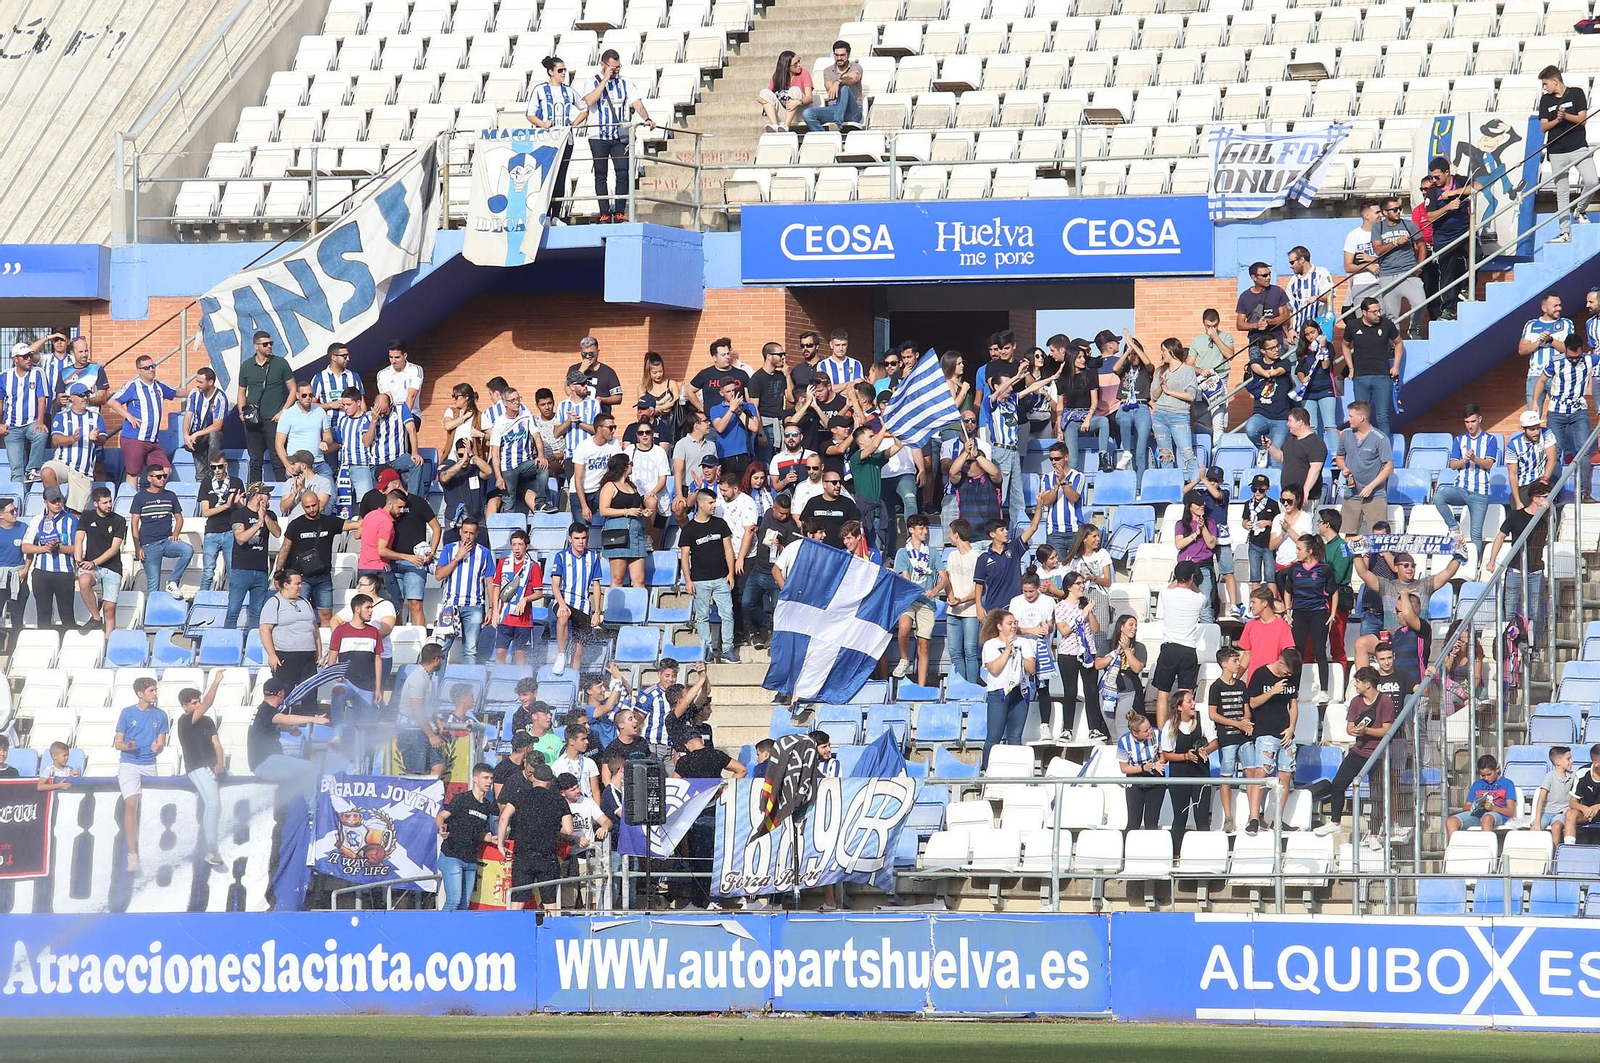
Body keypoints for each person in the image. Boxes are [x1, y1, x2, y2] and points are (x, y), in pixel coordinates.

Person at [1307, 666, 1395, 842]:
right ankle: (1335, 821)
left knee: (1377, 794)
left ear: (1368, 684)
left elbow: (1387, 730)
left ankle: (1374, 832)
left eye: (1358, 682)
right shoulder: (1356, 701)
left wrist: (1367, 731)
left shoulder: (1385, 702)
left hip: (1378, 755)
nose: (1355, 685)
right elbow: (1349, 727)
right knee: (1338, 784)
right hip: (1358, 752)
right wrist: (1356, 731)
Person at [582, 51, 655, 222]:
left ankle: (620, 211)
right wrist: (605, 80)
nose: (615, 71)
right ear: (603, 65)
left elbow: (636, 102)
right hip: (597, 135)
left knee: (623, 171)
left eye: (618, 67)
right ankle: (604, 212)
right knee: (600, 173)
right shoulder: (591, 81)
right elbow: (590, 101)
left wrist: (647, 118)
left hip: (618, 136)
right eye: (612, 68)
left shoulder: (625, 82)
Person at [1483, 479, 1552, 649]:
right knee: (1511, 609)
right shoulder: (1517, 516)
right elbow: (1500, 536)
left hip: (1535, 571)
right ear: (1536, 498)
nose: (1548, 501)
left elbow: (1552, 522)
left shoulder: (1546, 517)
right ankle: (1512, 644)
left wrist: (1547, 512)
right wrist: (1492, 560)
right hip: (1515, 569)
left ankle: (1535, 646)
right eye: (1545, 497)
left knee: (1536, 611)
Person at [494, 760, 572, 912]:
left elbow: (504, 817)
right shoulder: (558, 800)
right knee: (550, 903)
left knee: (517, 902)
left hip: (523, 855)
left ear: (533, 778)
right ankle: (551, 932)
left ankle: (515, 932)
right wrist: (549, 828)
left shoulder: (521, 796)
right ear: (550, 781)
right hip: (547, 856)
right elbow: (568, 830)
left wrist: (500, 844)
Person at [1243, 647, 1302, 836]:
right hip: (1265, 730)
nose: (1289, 674)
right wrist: (1273, 691)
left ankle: (1278, 819)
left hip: (1285, 731)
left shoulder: (1292, 677)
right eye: (1287, 671)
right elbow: (1252, 703)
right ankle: (1253, 818)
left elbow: (1293, 704)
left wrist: (1292, 727)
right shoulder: (1261, 674)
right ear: (1280, 662)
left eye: (1292, 673)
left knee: (1285, 775)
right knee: (1262, 773)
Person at [114, 676, 169, 874]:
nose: (155, 693)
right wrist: (128, 746)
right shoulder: (127, 713)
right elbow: (117, 742)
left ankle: (148, 849)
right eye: (152, 690)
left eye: (155, 690)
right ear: (140, 693)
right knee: (132, 804)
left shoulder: (161, 715)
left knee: (149, 809)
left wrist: (158, 747)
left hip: (149, 763)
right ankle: (132, 854)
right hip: (130, 763)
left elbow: (160, 742)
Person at [276, 489, 353, 625]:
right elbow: (285, 548)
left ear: (319, 503)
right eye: (308, 507)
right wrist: (278, 572)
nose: (312, 509)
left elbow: (353, 525)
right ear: (302, 507)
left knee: (326, 614)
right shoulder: (296, 524)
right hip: (301, 577)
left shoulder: (329, 521)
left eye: (314, 505)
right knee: (300, 612)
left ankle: (325, 643)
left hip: (323, 576)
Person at [1433, 404, 1502, 555]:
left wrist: (1474, 458)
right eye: (1467, 422)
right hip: (1461, 489)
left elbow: (1489, 464)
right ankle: (1453, 527)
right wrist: (1465, 460)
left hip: (1480, 492)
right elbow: (1452, 465)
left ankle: (1474, 565)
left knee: (1476, 534)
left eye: (1473, 421)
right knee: (1438, 497)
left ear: (1480, 419)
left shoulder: (1490, 440)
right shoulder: (1459, 440)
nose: (1470, 425)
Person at [1538, 65, 1596, 243]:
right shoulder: (1545, 100)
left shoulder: (1576, 93)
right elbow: (1543, 127)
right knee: (1561, 192)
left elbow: (1583, 119)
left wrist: (1566, 116)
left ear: (1555, 81)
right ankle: (1564, 232)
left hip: (1578, 146)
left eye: (1546, 83)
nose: (1545, 87)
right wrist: (1557, 119)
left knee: (1592, 181)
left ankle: (1580, 209)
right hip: (1556, 151)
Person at [175, 674, 228, 869]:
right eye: (194, 703)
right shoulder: (185, 721)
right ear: (185, 707)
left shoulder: (207, 721)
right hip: (197, 766)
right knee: (212, 803)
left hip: (212, 765)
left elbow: (216, 743)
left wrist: (220, 763)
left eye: (198, 702)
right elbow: (208, 702)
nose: (198, 705)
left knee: (223, 799)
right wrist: (215, 682)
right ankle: (211, 848)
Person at [1535, 333, 1598, 493]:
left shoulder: (1590, 359)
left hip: (1578, 410)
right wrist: (1535, 403)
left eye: (1577, 357)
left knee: (1584, 450)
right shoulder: (1556, 362)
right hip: (1556, 411)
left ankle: (1584, 492)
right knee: (1554, 452)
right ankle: (1552, 492)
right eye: (1571, 357)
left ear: (1581, 351)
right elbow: (1541, 381)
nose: (1574, 360)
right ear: (1566, 351)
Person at [527, 54, 587, 220]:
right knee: (545, 177)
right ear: (551, 72)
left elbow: (584, 108)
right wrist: (542, 123)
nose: (563, 73)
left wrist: (573, 124)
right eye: (560, 70)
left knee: (561, 176)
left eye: (564, 70)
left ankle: (556, 215)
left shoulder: (568, 91)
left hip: (566, 141)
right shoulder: (540, 90)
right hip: (546, 141)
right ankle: (543, 214)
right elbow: (530, 114)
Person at [681, 488, 737, 663]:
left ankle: (728, 649)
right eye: (711, 502)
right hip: (699, 580)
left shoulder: (720, 524)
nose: (714, 506)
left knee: (728, 613)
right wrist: (688, 580)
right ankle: (707, 649)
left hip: (721, 578)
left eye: (715, 502)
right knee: (702, 616)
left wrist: (731, 573)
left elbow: (728, 549)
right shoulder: (689, 528)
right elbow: (684, 557)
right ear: (701, 504)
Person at [106, 356, 177, 488]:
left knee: (165, 470)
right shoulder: (133, 386)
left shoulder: (159, 386)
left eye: (153, 366)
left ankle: (151, 497)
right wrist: (128, 416)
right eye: (147, 368)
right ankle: (131, 505)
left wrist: (197, 391)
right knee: (133, 474)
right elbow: (112, 401)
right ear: (139, 370)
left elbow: (176, 391)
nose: (151, 369)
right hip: (134, 438)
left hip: (153, 441)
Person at [893, 514, 948, 686]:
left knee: (924, 644)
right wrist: (915, 589)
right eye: (921, 528)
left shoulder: (932, 553)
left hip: (927, 601)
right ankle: (904, 658)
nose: (925, 532)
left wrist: (935, 590)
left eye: (926, 528)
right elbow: (905, 577)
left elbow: (944, 578)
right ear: (911, 530)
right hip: (909, 599)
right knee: (904, 627)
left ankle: (921, 685)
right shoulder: (902, 553)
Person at [1423, 155, 1480, 320]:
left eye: (1437, 177)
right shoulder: (1432, 192)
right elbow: (1430, 216)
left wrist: (1454, 193)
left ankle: (1466, 288)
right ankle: (1449, 309)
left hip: (1463, 232)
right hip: (1443, 237)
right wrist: (1447, 207)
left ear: (1447, 172)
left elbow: (1478, 186)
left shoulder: (1459, 181)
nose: (1434, 180)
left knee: (1477, 255)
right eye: (1431, 177)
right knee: (1447, 273)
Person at [1151, 561, 1206, 728]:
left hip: (1169, 648)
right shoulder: (1199, 599)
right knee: (1186, 695)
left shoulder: (1166, 594)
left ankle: (1161, 732)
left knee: (1162, 693)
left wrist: (1180, 576)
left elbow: (1172, 585)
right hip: (1188, 650)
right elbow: (1200, 594)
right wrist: (1192, 582)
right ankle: (1183, 729)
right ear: (1191, 578)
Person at [436, 763, 497, 910]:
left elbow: (479, 833)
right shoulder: (462, 799)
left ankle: (458, 932)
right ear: (475, 779)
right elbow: (441, 816)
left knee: (464, 904)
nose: (489, 782)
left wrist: (491, 839)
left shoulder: (487, 806)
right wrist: (441, 827)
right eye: (485, 778)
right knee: (454, 900)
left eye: (491, 778)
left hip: (470, 859)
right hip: (452, 855)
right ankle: (441, 931)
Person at [235, 331, 294, 481]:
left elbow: (293, 389)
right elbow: (241, 391)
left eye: (271, 343)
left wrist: (284, 411)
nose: (269, 346)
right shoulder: (247, 366)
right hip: (253, 419)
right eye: (265, 344)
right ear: (256, 346)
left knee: (277, 458)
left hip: (274, 419)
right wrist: (242, 413)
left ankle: (282, 491)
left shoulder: (280, 363)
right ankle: (255, 493)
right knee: (255, 460)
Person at [1053, 571, 1105, 743]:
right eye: (1078, 583)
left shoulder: (1085, 605)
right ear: (1069, 587)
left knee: (1091, 690)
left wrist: (1089, 612)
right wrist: (1082, 614)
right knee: (1071, 691)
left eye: (1083, 583)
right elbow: (1064, 630)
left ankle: (1094, 728)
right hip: (1068, 653)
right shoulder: (1060, 606)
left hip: (1088, 652)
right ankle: (1067, 729)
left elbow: (1096, 628)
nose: (1082, 586)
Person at [434, 515, 494, 664]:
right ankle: (436, 685)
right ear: (460, 532)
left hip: (474, 606)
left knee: (470, 650)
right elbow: (439, 575)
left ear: (476, 534)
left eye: (471, 533)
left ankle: (467, 686)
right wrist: (457, 558)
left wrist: (492, 607)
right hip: (450, 605)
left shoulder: (484, 553)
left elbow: (490, 582)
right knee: (441, 649)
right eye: (465, 532)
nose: (468, 536)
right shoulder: (449, 549)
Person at [979, 608, 1035, 767]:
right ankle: (986, 769)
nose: (1013, 626)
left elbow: (1032, 668)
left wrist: (1019, 655)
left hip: (1020, 692)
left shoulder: (1023, 642)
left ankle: (1015, 769)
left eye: (1015, 623)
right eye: (1009, 623)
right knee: (994, 736)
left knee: (1015, 736)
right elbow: (995, 669)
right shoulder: (990, 645)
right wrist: (1007, 652)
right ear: (999, 626)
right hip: (999, 692)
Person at [1340, 298, 1403, 438]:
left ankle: (1385, 454)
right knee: (1360, 417)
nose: (1378, 314)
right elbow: (1345, 345)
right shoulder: (1352, 325)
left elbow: (1399, 343)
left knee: (1382, 416)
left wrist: (1396, 366)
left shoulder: (1386, 324)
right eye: (1374, 312)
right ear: (1364, 312)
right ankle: (1361, 450)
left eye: (1379, 310)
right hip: (1361, 377)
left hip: (1382, 376)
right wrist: (1351, 368)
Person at [1161, 689, 1214, 853]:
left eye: (1192, 700)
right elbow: (1167, 754)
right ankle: (1176, 853)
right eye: (1189, 701)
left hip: (1201, 773)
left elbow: (1214, 741)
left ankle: (1204, 853)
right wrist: (1185, 756)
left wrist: (1204, 751)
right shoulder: (1170, 725)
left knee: (1202, 816)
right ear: (1179, 707)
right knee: (1180, 815)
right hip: (1180, 775)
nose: (1193, 704)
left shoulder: (1202, 718)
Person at [1282, 534, 1335, 696]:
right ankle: (1294, 689)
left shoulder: (1324, 569)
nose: (1297, 552)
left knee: (1320, 651)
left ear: (1310, 551)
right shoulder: (1294, 568)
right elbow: (1287, 591)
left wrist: (1332, 614)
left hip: (1319, 613)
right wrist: (1287, 610)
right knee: (1297, 652)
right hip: (1299, 613)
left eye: (1299, 549)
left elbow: (1334, 592)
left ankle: (1324, 689)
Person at [43, 381, 107, 513]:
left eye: (86, 395)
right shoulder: (62, 416)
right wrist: (72, 438)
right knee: (47, 471)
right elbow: (55, 439)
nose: (85, 398)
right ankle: (58, 505)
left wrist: (96, 439)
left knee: (78, 512)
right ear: (72, 398)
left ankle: (72, 524)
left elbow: (103, 440)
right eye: (81, 395)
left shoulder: (96, 417)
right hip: (63, 463)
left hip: (82, 470)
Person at [1208, 646, 1253, 833]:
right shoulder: (1215, 687)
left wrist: (1247, 721)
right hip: (1227, 738)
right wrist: (1237, 724)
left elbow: (1246, 709)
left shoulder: (1241, 685)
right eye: (1234, 661)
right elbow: (1213, 714)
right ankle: (1228, 817)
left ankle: (1254, 815)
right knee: (1226, 777)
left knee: (1252, 774)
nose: (1238, 664)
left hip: (1244, 738)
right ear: (1224, 664)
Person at [551, 522, 605, 675]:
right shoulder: (561, 556)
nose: (581, 542)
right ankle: (561, 654)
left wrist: (597, 612)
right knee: (564, 615)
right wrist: (561, 604)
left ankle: (573, 680)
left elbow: (596, 586)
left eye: (583, 538)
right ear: (570, 539)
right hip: (565, 599)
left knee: (578, 651)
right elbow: (555, 585)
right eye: (577, 538)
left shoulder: (593, 557)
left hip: (583, 605)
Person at [1334, 400, 1394, 535]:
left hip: (1375, 496)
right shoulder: (1345, 434)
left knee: (1378, 536)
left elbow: (1389, 467)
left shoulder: (1380, 439)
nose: (1348, 419)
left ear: (1361, 418)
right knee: (1348, 534)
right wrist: (1343, 468)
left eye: (1351, 416)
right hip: (1352, 494)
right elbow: (1339, 457)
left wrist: (1370, 487)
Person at [23, 485, 78, 631]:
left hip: (64, 572)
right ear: (45, 502)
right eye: (53, 501)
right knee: (43, 614)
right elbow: (26, 546)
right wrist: (44, 548)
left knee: (67, 614)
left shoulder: (72, 520)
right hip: (42, 572)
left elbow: (77, 549)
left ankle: (69, 647)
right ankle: (45, 647)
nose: (57, 503)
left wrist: (58, 547)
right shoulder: (37, 520)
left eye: (59, 500)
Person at [1372, 196, 1427, 338]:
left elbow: (1421, 245)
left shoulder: (1409, 225)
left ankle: (1414, 328)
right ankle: (1394, 343)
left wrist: (1420, 265)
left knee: (1420, 303)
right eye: (1395, 209)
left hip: (1408, 273)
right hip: (1387, 275)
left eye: (1399, 209)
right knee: (1392, 314)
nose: (1398, 212)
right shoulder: (1378, 227)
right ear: (1384, 212)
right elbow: (1378, 250)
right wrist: (1396, 242)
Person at [557, 768, 613, 910]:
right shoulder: (556, 805)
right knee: (567, 901)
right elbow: (554, 832)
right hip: (567, 858)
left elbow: (607, 821)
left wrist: (604, 827)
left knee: (592, 900)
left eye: (577, 787)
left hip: (587, 856)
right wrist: (574, 839)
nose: (577, 791)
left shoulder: (587, 802)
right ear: (562, 792)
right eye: (572, 789)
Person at [259, 569, 322, 694]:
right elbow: (265, 629)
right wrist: (272, 655)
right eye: (297, 583)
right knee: (284, 693)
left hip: (308, 656)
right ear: (286, 585)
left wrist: (319, 651)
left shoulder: (305, 602)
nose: (300, 586)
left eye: (300, 583)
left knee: (310, 694)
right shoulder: (274, 603)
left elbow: (314, 628)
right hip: (286, 656)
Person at [227, 483, 279, 629]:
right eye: (267, 494)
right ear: (257, 496)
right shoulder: (239, 514)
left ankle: (253, 644)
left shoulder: (270, 514)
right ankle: (227, 643)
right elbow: (241, 538)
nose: (269, 497)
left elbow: (277, 533)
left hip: (261, 570)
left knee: (257, 612)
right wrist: (259, 523)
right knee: (233, 611)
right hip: (241, 569)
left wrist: (265, 517)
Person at [74, 485, 125, 634]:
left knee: (109, 609)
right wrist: (79, 563)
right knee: (83, 581)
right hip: (92, 567)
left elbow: (114, 549)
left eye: (110, 501)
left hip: (112, 566)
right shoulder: (87, 516)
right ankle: (96, 618)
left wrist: (93, 562)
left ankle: (108, 642)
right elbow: (78, 540)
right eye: (105, 502)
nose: (109, 505)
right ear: (96, 503)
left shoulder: (119, 520)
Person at [326, 592, 384, 720]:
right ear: (357, 609)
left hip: (367, 684)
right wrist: (336, 675)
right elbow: (332, 658)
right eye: (368, 607)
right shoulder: (340, 631)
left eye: (371, 608)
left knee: (364, 723)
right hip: (346, 681)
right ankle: (338, 733)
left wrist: (378, 688)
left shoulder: (374, 632)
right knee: (337, 694)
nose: (371, 611)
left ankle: (360, 740)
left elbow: (378, 660)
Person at [489, 529, 543, 664]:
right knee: (500, 652)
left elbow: (539, 592)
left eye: (520, 544)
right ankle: (498, 680)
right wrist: (495, 610)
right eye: (514, 544)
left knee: (520, 654)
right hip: (504, 615)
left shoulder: (533, 566)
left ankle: (521, 682)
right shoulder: (503, 563)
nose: (517, 548)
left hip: (523, 618)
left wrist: (526, 599)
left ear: (527, 546)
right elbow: (496, 587)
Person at [1058, 339, 1114, 470]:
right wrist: (1059, 428)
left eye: (1083, 357)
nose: (1083, 360)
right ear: (1072, 359)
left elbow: (1094, 401)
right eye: (1079, 357)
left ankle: (1103, 458)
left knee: (1103, 421)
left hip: (1086, 415)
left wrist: (1088, 419)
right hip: (1070, 419)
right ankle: (1071, 486)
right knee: (1072, 461)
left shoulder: (1090, 375)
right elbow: (1060, 405)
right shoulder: (1063, 378)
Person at [0, 343, 50, 483]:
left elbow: (42, 399)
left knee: (41, 433)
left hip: (32, 422)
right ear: (15, 359)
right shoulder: (4, 376)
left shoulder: (38, 372)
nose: (29, 359)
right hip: (11, 426)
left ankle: (32, 469)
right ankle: (19, 501)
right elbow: (0, 402)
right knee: (16, 470)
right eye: (25, 357)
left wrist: (40, 421)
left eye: (30, 356)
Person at [394, 643, 447, 776]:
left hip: (421, 729)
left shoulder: (427, 677)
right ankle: (413, 795)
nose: (442, 660)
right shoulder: (418, 679)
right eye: (442, 657)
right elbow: (416, 710)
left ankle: (429, 795)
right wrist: (431, 735)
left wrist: (436, 720)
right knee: (414, 772)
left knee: (438, 765)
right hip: (410, 732)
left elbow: (426, 707)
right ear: (436, 659)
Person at [1518, 292, 1576, 410]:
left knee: (1561, 413)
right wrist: (1539, 342)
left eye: (1560, 305)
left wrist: (1550, 340)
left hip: (1558, 375)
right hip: (1535, 375)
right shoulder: (1531, 325)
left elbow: (1570, 349)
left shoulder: (1566, 323)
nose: (1559, 308)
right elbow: (1522, 350)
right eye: (1555, 306)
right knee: (1533, 416)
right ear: (1544, 308)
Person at [1150, 340, 1199, 480]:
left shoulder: (1188, 370)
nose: (1162, 353)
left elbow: (1191, 395)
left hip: (1179, 415)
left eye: (1164, 350)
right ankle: (1169, 484)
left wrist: (1170, 391)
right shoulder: (1160, 370)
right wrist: (1161, 385)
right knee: (1165, 455)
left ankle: (1196, 485)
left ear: (1172, 351)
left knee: (1187, 453)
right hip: (1160, 415)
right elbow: (1153, 396)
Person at [1240, 334, 1293, 462]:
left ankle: (1277, 481)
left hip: (1281, 417)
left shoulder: (1285, 363)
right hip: (1261, 413)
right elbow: (1258, 368)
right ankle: (1262, 447)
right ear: (1263, 351)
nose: (1277, 350)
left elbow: (1275, 372)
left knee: (1276, 459)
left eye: (1277, 346)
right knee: (1251, 428)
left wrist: (1267, 373)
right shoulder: (1255, 363)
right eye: (1272, 348)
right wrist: (1266, 373)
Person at [363, 392, 423, 496]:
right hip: (378, 462)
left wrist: (415, 453)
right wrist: (373, 421)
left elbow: (412, 430)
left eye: (385, 412)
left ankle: (413, 498)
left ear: (391, 405)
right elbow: (366, 442)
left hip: (397, 458)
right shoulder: (367, 416)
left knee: (416, 463)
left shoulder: (401, 409)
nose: (382, 415)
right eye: (379, 412)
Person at [571, 410, 621, 528]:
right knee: (581, 529)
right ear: (599, 429)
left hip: (599, 490)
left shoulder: (614, 443)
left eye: (615, 427)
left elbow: (618, 468)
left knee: (616, 511)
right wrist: (584, 505)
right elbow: (578, 479)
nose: (613, 430)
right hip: (580, 492)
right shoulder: (584, 447)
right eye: (610, 427)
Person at [1174, 491, 1219, 624]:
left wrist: (1203, 528)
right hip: (1185, 569)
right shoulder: (1181, 524)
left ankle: (1210, 641)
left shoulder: (1210, 522)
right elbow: (1179, 544)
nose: (1202, 506)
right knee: (1183, 606)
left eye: (1202, 504)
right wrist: (1195, 534)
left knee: (1205, 607)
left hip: (1203, 567)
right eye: (1198, 504)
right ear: (1190, 506)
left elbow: (1211, 544)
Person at [1270, 406, 1327, 511]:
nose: (1287, 424)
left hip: (1305, 498)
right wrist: (1270, 446)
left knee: (1303, 527)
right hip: (1287, 498)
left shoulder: (1316, 443)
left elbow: (1315, 468)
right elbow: (1281, 457)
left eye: (1290, 421)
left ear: (1300, 422)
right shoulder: (1291, 439)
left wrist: (1305, 490)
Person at [1117, 710, 1167, 830]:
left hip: (1155, 779)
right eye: (1146, 731)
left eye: (1149, 727)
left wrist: (1158, 764)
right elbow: (1124, 768)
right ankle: (1127, 847)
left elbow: (1163, 755)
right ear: (1135, 733)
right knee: (1134, 822)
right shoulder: (1124, 742)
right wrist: (1142, 768)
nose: (1150, 731)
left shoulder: (1156, 734)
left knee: (1151, 821)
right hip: (1135, 780)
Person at [274, 380, 333, 480]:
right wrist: (287, 465)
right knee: (299, 494)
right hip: (296, 464)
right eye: (304, 395)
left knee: (330, 494)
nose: (308, 398)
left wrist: (325, 442)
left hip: (318, 462)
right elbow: (279, 444)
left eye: (310, 395)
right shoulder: (288, 414)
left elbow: (328, 435)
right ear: (297, 395)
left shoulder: (320, 412)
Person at [1445, 754, 1517, 836]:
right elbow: (1465, 808)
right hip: (1477, 815)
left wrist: (1492, 808)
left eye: (1489, 774)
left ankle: (1487, 846)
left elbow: (1510, 811)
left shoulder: (1507, 783)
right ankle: (1455, 847)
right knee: (1451, 821)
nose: (1486, 778)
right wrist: (1476, 806)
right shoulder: (1477, 784)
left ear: (1497, 769)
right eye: (1483, 775)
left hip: (1497, 814)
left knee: (1486, 819)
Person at [803, 39, 863, 131]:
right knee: (807, 114)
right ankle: (824, 137)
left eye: (842, 55)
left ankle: (837, 124)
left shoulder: (856, 67)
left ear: (848, 55)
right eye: (837, 55)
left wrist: (838, 82)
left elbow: (852, 78)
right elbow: (830, 89)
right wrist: (838, 82)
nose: (839, 58)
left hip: (852, 111)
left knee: (844, 88)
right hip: (834, 108)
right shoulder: (828, 71)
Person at [1291, 322, 1338, 434]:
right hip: (1308, 392)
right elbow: (1299, 369)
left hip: (1325, 389)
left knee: (1330, 425)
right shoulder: (1303, 349)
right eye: (1307, 334)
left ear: (1318, 330)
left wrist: (1323, 347)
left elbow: (1325, 365)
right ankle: (1313, 451)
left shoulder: (1328, 346)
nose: (1311, 336)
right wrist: (1303, 379)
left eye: (1313, 332)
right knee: (1311, 427)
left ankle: (1336, 451)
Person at [1507, 409, 1558, 510]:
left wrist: (1544, 480)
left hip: (1542, 480)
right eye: (1532, 429)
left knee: (1545, 504)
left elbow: (1552, 458)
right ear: (1523, 429)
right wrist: (1518, 501)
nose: (1536, 432)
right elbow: (1513, 475)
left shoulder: (1546, 433)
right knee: (1518, 509)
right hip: (1523, 485)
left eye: (1538, 428)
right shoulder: (1513, 445)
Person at [1236, 261, 1291, 354]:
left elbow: (1285, 317)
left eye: (1269, 274)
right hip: (1255, 344)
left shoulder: (1277, 292)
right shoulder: (1244, 297)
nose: (1268, 278)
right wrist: (1256, 325)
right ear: (1254, 277)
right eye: (1265, 275)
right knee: (1256, 368)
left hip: (1276, 343)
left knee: (1278, 368)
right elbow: (1239, 324)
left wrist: (1269, 321)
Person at [1530, 745, 1578, 851]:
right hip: (1546, 813)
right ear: (1558, 762)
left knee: (1556, 827)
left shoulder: (1573, 776)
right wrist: (1537, 821)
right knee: (1534, 829)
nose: (1572, 761)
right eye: (1568, 759)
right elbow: (1541, 799)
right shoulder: (1550, 776)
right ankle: (1535, 853)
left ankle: (1554, 854)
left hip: (1561, 813)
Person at [183, 366, 230, 472]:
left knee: (214, 435)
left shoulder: (220, 398)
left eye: (200, 382)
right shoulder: (194, 393)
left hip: (213, 433)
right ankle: (200, 478)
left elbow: (217, 425)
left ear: (210, 382)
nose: (197, 384)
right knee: (200, 472)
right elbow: (188, 416)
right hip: (197, 434)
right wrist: (186, 435)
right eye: (197, 381)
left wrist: (196, 434)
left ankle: (213, 469)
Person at [333, 387, 377, 499]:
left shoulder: (366, 419)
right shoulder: (343, 420)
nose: (346, 408)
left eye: (348, 404)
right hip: (344, 466)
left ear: (358, 402)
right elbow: (339, 442)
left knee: (364, 501)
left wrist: (373, 422)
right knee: (342, 505)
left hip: (361, 466)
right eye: (344, 405)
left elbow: (367, 442)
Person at [1241, 473, 1280, 592]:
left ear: (1267, 490)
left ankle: (1273, 604)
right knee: (1254, 577)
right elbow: (1244, 520)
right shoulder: (1248, 504)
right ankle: (1255, 604)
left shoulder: (1272, 504)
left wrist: (1268, 523)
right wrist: (1246, 525)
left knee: (1270, 577)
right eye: (1254, 489)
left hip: (1268, 544)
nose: (1257, 492)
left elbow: (1278, 522)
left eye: (1261, 490)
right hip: (1254, 543)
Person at [279, 449, 332, 520]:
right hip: (294, 526)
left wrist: (303, 490)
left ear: (303, 466)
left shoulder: (323, 482)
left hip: (313, 525)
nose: (291, 466)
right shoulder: (290, 482)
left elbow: (320, 507)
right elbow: (283, 509)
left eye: (294, 463)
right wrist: (294, 493)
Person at [311, 341, 360, 414]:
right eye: (344, 356)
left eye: (348, 356)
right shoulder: (319, 378)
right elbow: (310, 404)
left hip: (350, 423)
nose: (348, 359)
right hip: (329, 423)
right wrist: (330, 405)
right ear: (334, 357)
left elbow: (361, 403)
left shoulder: (354, 376)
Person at [1565, 744, 1600, 845]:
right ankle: (1569, 848)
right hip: (1586, 813)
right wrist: (1584, 808)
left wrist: (1597, 807)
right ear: (1596, 763)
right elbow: (1572, 802)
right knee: (1570, 814)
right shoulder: (1582, 773)